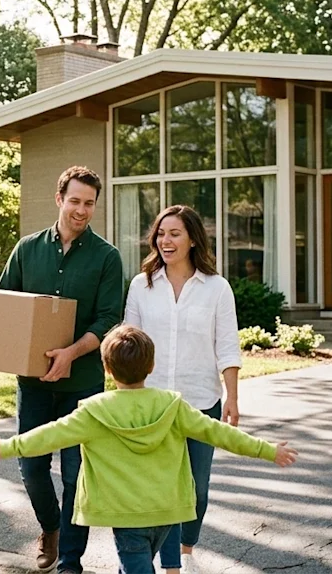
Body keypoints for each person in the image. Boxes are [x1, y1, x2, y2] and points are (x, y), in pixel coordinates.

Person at [0, 325, 298, 574]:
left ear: (106, 369)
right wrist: (268, 450)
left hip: (127, 514)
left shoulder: (94, 411)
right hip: (168, 511)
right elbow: (218, 432)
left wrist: (7, 447)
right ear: (152, 365)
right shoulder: (172, 405)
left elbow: (50, 435)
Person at [0, 165, 124, 574]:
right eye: (75, 201)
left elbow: (107, 320)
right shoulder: (27, 249)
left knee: (73, 476)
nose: (81, 210)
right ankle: (49, 527)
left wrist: (70, 352)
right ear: (59, 199)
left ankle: (70, 558)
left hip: (82, 384)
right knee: (31, 465)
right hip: (32, 383)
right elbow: (3, 306)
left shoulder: (107, 257)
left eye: (89, 203)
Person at [123, 205, 241, 574]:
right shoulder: (142, 285)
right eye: (160, 233)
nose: (165, 240)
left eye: (174, 233)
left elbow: (227, 345)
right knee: (159, 489)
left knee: (197, 490)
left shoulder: (217, 288)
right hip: (152, 405)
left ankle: (186, 549)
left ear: (192, 239)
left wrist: (233, 397)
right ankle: (169, 561)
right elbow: (129, 342)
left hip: (200, 401)